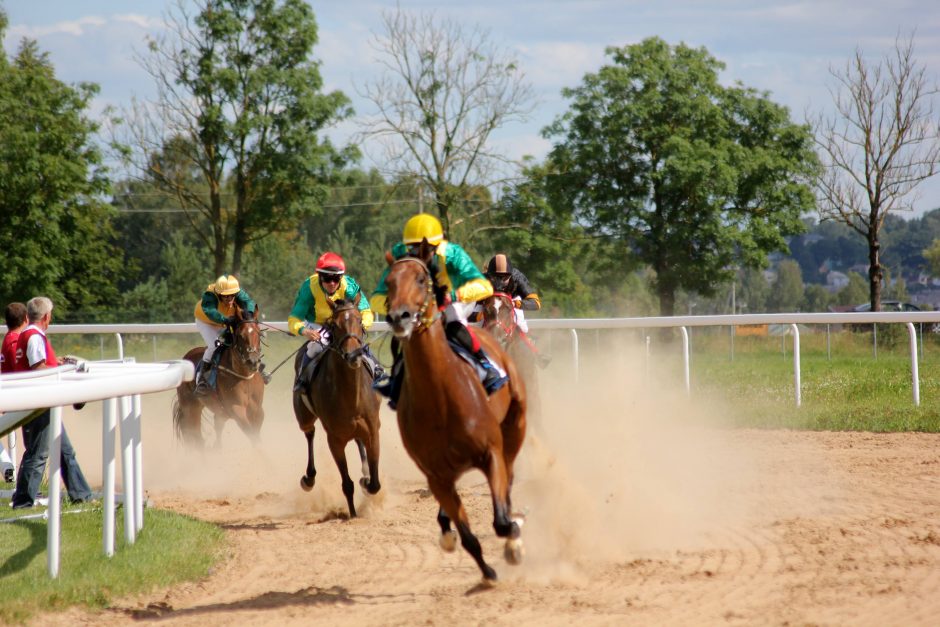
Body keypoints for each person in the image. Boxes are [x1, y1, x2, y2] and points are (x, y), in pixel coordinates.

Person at [371, 213, 508, 404]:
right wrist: (393, 305)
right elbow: (377, 297)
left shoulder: (453, 254)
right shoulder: (399, 254)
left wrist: (454, 296)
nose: (419, 252)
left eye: (427, 248)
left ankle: (486, 366)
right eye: (413, 248)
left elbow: (485, 287)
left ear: (438, 245)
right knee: (400, 337)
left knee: (454, 320)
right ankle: (395, 379)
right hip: (417, 304)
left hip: (454, 298)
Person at [10, 296, 93, 508]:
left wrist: (57, 363)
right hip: (39, 401)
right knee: (38, 455)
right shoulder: (35, 337)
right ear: (47, 317)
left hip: (37, 400)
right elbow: (38, 369)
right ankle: (22, 501)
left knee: (65, 452)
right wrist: (61, 369)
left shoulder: (26, 335)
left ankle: (81, 495)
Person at [288, 252, 385, 392]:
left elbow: (366, 311)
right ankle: (302, 380)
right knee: (317, 344)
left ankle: (377, 370)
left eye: (336, 278)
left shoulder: (349, 286)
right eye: (327, 279)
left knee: (355, 340)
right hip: (318, 323)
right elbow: (294, 319)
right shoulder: (309, 288)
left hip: (342, 322)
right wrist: (304, 331)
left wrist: (361, 325)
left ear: (341, 277)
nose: (332, 283)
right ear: (319, 277)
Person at [193, 274, 269, 395]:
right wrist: (225, 320)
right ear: (219, 294)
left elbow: (249, 302)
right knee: (215, 345)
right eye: (225, 296)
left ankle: (257, 366)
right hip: (207, 321)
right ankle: (202, 379)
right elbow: (210, 311)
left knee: (243, 338)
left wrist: (248, 316)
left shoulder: (238, 292)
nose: (229, 299)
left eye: (232, 295)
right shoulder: (210, 295)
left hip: (227, 319)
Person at [481, 253, 542, 333]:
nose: (500, 281)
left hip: (512, 300)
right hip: (488, 304)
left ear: (511, 275)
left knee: (522, 328)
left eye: (505, 278)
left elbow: (536, 303)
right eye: (495, 277)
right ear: (489, 276)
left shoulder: (518, 279)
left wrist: (515, 303)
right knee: (475, 325)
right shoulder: (481, 280)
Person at [1, 302, 28, 482]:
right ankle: (10, 469)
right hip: (14, 395)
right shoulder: (14, 341)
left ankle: (7, 467)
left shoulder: (9, 339)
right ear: (26, 319)